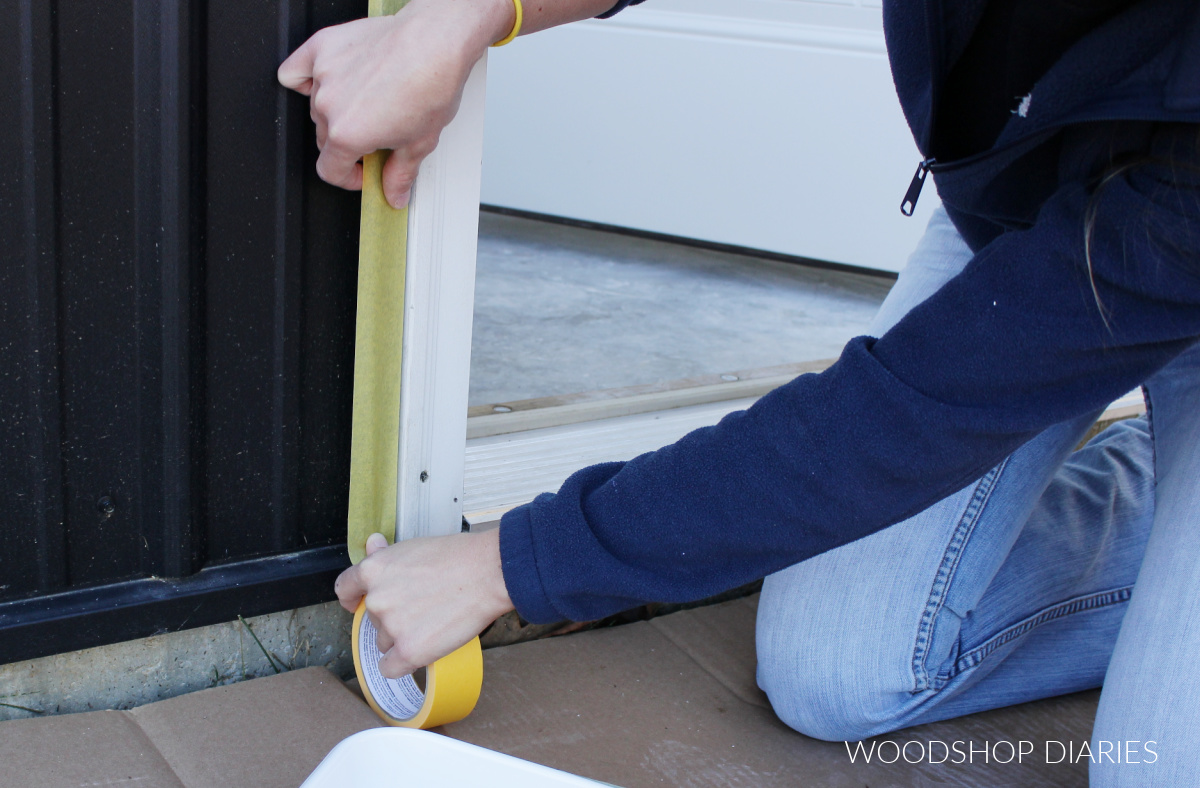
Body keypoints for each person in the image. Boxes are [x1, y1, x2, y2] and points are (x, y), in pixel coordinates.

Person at [279, 0, 1200, 783]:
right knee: (836, 673)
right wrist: (467, 17)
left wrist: (508, 565)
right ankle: (1153, 508)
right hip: (1050, 203)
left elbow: (903, 415)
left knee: (1153, 764)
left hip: (1175, 207)